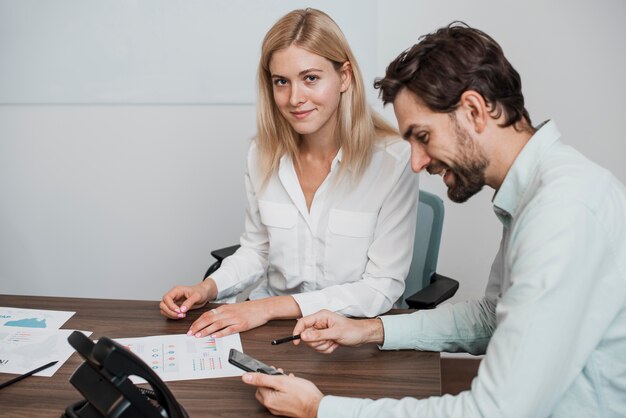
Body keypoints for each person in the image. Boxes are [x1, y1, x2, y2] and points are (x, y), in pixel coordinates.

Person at [241, 22, 626, 417]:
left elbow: (493, 412)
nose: (417, 162)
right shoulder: (537, 193)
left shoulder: (563, 211)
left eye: (422, 137)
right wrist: (368, 330)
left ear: (474, 110)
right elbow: (489, 318)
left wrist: (320, 409)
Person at [159, 8, 418, 339]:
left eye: (310, 78)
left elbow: (381, 289)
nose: (295, 98)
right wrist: (208, 288)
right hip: (268, 331)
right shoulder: (262, 154)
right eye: (282, 82)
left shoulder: (393, 161)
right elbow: (257, 250)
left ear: (345, 77)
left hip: (347, 337)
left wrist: (268, 308)